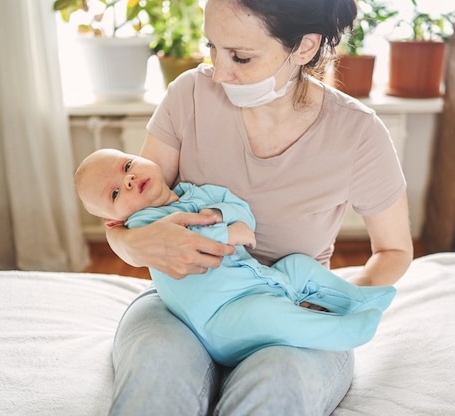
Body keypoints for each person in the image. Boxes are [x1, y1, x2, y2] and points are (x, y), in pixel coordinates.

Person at [105, 0, 414, 414]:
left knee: (275, 388)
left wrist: (330, 305)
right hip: (186, 303)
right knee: (154, 370)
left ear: (305, 48)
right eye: (212, 47)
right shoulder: (189, 95)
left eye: (241, 57)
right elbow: (125, 217)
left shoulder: (358, 133)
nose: (218, 71)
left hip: (287, 312)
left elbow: (394, 250)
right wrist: (133, 247)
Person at [75, 148, 397, 367]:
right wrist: (228, 232)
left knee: (298, 265)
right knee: (270, 315)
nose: (128, 180)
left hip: (262, 280)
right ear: (114, 222)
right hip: (223, 316)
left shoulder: (197, 193)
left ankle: (356, 299)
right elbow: (187, 243)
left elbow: (242, 212)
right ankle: (344, 332)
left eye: (127, 166)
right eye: (115, 193)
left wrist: (222, 213)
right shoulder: (144, 223)